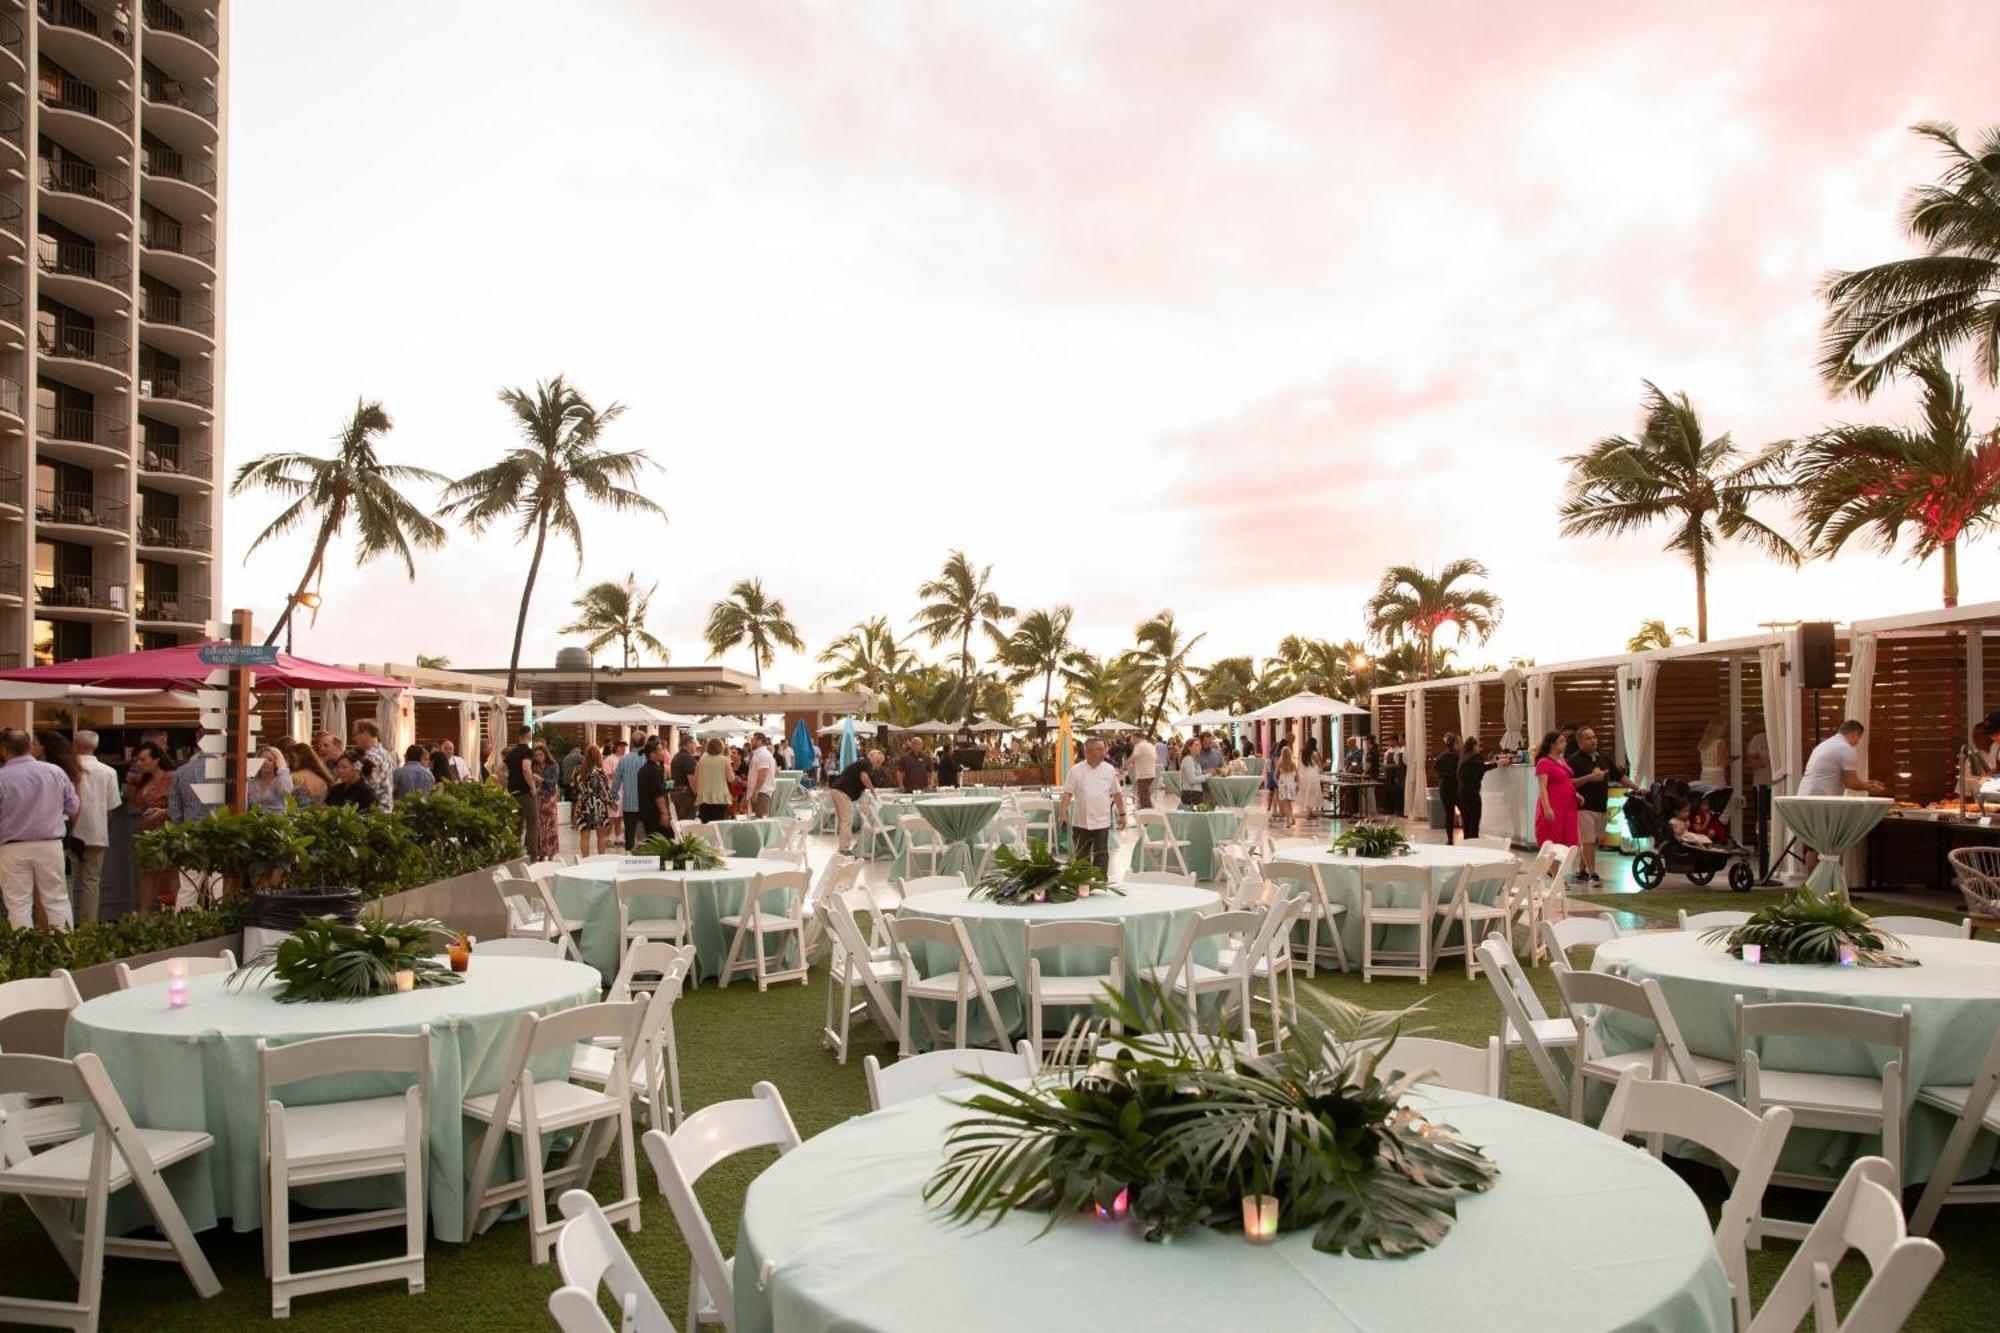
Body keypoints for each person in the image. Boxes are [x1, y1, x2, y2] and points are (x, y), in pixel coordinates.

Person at [0, 729, 79, 929]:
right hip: (49, 844)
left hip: (11, 846)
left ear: (4, 750)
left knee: (18, 903)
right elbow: (73, 807)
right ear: (31, 747)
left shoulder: (2, 776)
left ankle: (25, 951)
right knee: (57, 899)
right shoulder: (54, 772)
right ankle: (65, 947)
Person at [69, 730, 119, 923]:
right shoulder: (109, 772)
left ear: (74, 745)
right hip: (97, 832)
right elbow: (112, 806)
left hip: (71, 832)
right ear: (95, 747)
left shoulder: (67, 768)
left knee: (67, 880)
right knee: (91, 882)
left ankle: (64, 923)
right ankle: (88, 924)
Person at [1058, 737, 1126, 873]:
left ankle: (1100, 883)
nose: (1103, 752)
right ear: (1088, 752)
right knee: (1082, 855)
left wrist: (1123, 814)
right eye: (1100, 749)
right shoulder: (1075, 770)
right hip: (1081, 821)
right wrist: (1063, 814)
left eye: (1103, 748)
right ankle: (1083, 883)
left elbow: (1117, 793)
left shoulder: (1109, 769)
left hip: (1102, 821)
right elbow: (1067, 793)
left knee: (1101, 854)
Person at [125, 742, 177, 910]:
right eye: (137, 760)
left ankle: (177, 911)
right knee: (147, 875)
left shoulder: (171, 777)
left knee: (170, 875)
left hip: (166, 832)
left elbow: (180, 806)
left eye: (143, 759)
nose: (140, 763)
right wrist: (131, 784)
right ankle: (144, 913)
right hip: (146, 834)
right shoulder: (142, 780)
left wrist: (162, 811)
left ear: (156, 760)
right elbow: (135, 802)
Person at [1567, 727, 1615, 884]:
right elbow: (1567, 783)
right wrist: (1589, 778)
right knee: (1587, 840)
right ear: (1580, 742)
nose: (1593, 740)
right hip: (1583, 807)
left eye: (1594, 737)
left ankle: (1581, 870)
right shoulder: (1573, 760)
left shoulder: (1603, 758)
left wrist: (1636, 787)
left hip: (1600, 805)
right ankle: (1593, 874)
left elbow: (1619, 775)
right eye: (1588, 738)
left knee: (1592, 840)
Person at [1532, 730, 1580, 849]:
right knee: (1552, 837)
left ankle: (1562, 866)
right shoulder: (1544, 762)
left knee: (1567, 837)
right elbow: (1542, 787)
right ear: (1552, 744)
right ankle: (1552, 866)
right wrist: (1547, 808)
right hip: (1554, 803)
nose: (1565, 744)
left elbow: (1565, 781)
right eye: (1561, 741)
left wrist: (1576, 794)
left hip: (1568, 804)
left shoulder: (1562, 760)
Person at [829, 748, 877, 855]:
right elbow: (864, 777)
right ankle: (844, 848)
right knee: (847, 820)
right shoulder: (866, 763)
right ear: (871, 757)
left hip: (836, 790)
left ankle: (842, 846)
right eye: (878, 761)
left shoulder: (861, 763)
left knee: (843, 820)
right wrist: (873, 791)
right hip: (843, 792)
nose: (877, 765)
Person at [503, 725, 540, 858]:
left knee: (516, 826)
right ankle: (532, 856)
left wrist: (507, 782)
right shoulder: (527, 751)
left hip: (513, 794)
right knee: (532, 824)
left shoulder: (512, 752)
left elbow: (500, 770)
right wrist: (532, 786)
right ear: (528, 735)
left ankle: (514, 855)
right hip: (525, 793)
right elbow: (526, 768)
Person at [569, 744, 612, 855]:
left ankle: (585, 861)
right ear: (598, 756)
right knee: (601, 836)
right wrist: (610, 802)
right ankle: (601, 860)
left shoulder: (577, 770)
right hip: (598, 805)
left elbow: (573, 787)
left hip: (583, 805)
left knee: (585, 838)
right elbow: (605, 790)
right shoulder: (599, 772)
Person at [350, 721, 397, 809]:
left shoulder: (371, 757)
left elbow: (368, 786)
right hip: (386, 808)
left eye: (355, 734)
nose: (353, 739)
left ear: (366, 734)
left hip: (375, 811)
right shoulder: (387, 754)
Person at [169, 747, 220, 824]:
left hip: (190, 831)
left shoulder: (181, 771)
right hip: (224, 831)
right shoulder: (233, 770)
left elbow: (175, 812)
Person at [637, 738, 674, 838]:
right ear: (652, 754)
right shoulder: (654, 770)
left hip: (647, 814)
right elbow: (658, 794)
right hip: (655, 815)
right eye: (660, 750)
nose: (663, 752)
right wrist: (664, 813)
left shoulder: (643, 770)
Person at [694, 737, 734, 824]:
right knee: (718, 824)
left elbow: (696, 778)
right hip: (720, 796)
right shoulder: (725, 760)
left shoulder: (702, 760)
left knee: (705, 824)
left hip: (704, 796)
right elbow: (731, 779)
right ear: (721, 747)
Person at [1456, 736, 1489, 839]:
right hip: (1472, 792)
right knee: (1475, 818)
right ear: (1474, 746)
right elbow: (1481, 769)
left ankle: (1467, 841)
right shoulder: (1475, 757)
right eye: (1478, 745)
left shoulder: (1463, 758)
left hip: (1462, 791)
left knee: (1466, 819)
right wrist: (1496, 764)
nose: (1479, 748)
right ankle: (1474, 842)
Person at [248, 746, 295, 812]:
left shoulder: (280, 781)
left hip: (276, 821)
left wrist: (282, 768)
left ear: (276, 763)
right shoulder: (250, 783)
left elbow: (287, 792)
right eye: (262, 759)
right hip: (253, 821)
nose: (265, 762)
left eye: (270, 760)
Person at [534, 742, 561, 856]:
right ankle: (541, 851)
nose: (538, 757)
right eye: (536, 755)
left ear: (545, 754)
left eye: (541, 754)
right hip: (538, 798)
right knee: (540, 826)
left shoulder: (553, 765)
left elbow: (553, 782)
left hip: (549, 798)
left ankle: (550, 852)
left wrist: (541, 780)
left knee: (550, 825)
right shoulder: (534, 766)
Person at [743, 733, 778, 817]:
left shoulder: (763, 755)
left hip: (761, 792)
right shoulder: (758, 754)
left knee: (760, 820)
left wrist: (756, 791)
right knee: (755, 820)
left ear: (759, 741)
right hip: (757, 792)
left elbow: (763, 774)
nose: (751, 742)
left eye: (753, 740)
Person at [1435, 732, 1460, 845]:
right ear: (1455, 743)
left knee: (1448, 813)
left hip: (1444, 786)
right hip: (1455, 785)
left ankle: (1450, 838)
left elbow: (1436, 770)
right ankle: (1469, 837)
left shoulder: (1440, 758)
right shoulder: (1458, 757)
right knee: (1464, 810)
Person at [669, 735, 701, 822]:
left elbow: (671, 778)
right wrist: (697, 795)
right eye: (694, 743)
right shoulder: (688, 758)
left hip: (676, 794)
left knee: (680, 822)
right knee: (688, 823)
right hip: (686, 796)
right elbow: (691, 779)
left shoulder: (675, 757)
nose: (695, 746)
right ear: (688, 743)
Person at [1127, 728, 1157, 808]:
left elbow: (1135, 756)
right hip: (1151, 774)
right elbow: (1155, 758)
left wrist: (1124, 765)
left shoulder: (1139, 746)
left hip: (1143, 775)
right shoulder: (1151, 745)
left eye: (1132, 739)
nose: (1131, 741)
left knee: (1145, 799)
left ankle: (1148, 816)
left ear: (1137, 738)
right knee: (1143, 795)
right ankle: (1144, 813)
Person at [1696, 718, 1729, 790]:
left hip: (1704, 775)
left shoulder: (1703, 742)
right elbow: (1722, 763)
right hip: (1717, 777)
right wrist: (1730, 760)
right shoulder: (1720, 742)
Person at [1275, 743, 1298, 829]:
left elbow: (1274, 775)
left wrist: (1277, 782)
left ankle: (1288, 821)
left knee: (1285, 803)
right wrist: (1297, 784)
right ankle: (1291, 818)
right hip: (1291, 783)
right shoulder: (1293, 763)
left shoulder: (1280, 763)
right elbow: (1297, 775)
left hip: (1283, 783)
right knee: (1289, 802)